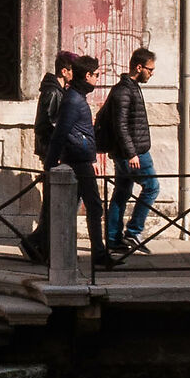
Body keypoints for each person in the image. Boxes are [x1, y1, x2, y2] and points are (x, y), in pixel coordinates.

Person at [49, 55, 121, 271]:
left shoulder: (76, 98)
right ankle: (98, 254)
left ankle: (49, 248)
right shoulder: (74, 101)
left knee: (73, 208)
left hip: (81, 160)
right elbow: (61, 132)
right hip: (78, 163)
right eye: (97, 75)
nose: (98, 78)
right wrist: (52, 164)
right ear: (87, 75)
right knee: (94, 207)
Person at [100, 47, 160, 255]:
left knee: (121, 194)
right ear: (139, 67)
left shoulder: (130, 87)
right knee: (152, 187)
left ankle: (113, 240)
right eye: (150, 69)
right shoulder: (124, 91)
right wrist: (131, 153)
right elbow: (121, 125)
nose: (152, 73)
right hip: (134, 154)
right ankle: (133, 231)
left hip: (130, 151)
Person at [21, 49, 75, 262]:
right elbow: (53, 125)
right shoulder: (53, 92)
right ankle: (36, 243)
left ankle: (41, 245)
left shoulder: (57, 90)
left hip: (52, 151)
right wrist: (60, 152)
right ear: (64, 71)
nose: (75, 74)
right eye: (72, 71)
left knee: (52, 200)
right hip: (52, 152)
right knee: (54, 200)